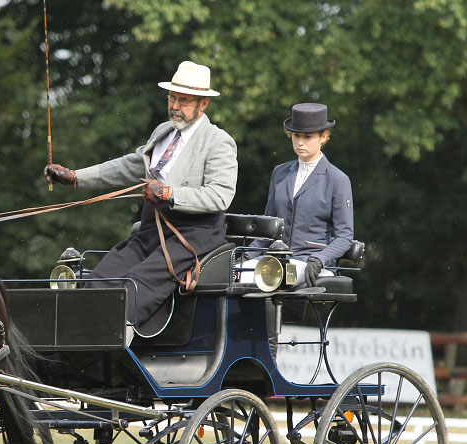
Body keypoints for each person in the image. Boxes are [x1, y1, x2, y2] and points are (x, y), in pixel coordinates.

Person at [44, 60, 238, 334]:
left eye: (184, 100)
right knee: (99, 280)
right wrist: (76, 177)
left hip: (193, 236)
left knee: (133, 286)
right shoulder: (163, 132)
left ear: (203, 104)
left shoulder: (219, 142)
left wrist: (168, 192)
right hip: (151, 231)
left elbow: (220, 196)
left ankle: (115, 350)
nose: (175, 106)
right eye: (172, 98)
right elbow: (130, 165)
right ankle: (75, 351)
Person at [242, 103, 353, 287]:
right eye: (296, 136)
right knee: (235, 276)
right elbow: (268, 227)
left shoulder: (337, 179)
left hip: (310, 261)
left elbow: (345, 237)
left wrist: (320, 258)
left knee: (274, 279)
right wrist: (246, 256)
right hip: (274, 260)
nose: (300, 142)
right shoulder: (280, 173)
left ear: (323, 137)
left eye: (308, 137)